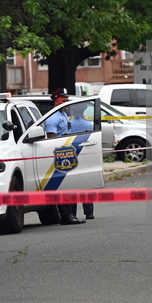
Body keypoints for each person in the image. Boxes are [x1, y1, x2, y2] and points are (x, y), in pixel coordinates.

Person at [44, 88, 85, 225]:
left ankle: (72, 214)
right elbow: (52, 139)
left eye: (67, 100)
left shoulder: (63, 115)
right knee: (63, 187)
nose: (66, 103)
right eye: (64, 100)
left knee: (71, 185)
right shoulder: (52, 118)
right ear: (56, 100)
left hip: (67, 152)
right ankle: (66, 216)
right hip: (60, 155)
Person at [69, 102, 95, 219]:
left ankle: (72, 213)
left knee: (72, 185)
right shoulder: (88, 124)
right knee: (86, 184)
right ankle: (89, 212)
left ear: (73, 112)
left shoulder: (69, 124)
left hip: (72, 155)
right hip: (85, 155)